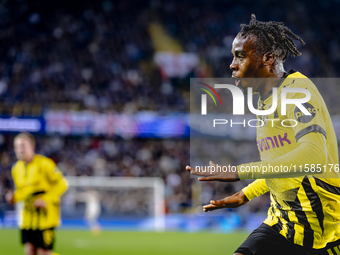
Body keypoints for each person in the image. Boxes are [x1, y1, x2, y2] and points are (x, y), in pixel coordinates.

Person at [187, 15, 340, 255]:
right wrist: (247, 193)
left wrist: (239, 171)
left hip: (321, 228)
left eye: (240, 55)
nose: (231, 64)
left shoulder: (298, 91)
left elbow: (313, 155)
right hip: (281, 222)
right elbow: (279, 166)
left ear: (267, 58)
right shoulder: (264, 102)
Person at [6, 133, 68, 255]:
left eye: (23, 146)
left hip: (45, 219)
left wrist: (46, 199)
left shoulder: (45, 164)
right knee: (29, 251)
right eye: (17, 146)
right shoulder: (16, 168)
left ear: (32, 146)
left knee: (43, 252)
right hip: (27, 219)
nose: (20, 149)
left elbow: (62, 184)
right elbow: (22, 192)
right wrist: (14, 197)